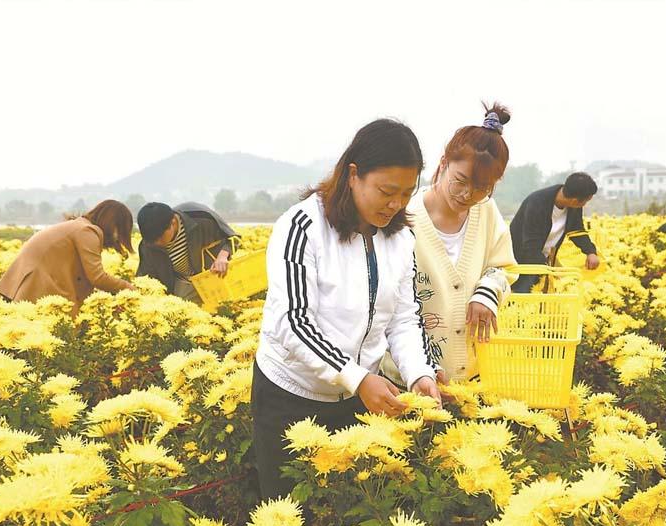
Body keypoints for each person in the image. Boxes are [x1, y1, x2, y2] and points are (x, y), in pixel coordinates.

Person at [251, 118, 441, 501]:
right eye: (387, 191)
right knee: (289, 511)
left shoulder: (400, 238)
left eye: (406, 193)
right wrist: (356, 378)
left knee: (350, 504)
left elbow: (403, 317)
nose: (396, 204)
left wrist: (419, 373)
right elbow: (295, 322)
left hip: (357, 395)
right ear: (353, 175)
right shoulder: (303, 227)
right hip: (292, 396)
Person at [384, 102, 516, 384]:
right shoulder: (403, 217)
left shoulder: (487, 212)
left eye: (482, 188)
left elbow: (504, 267)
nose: (468, 194)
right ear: (443, 164)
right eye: (460, 181)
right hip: (406, 377)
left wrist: (487, 293)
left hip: (473, 371)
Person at [0, 199, 135, 313]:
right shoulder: (87, 231)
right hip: (37, 282)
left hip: (27, 279)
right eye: (120, 231)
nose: (118, 238)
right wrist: (129, 289)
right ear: (112, 224)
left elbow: (83, 279)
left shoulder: (79, 226)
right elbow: (97, 277)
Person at [509, 173, 600, 293]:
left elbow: (576, 229)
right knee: (523, 297)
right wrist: (551, 271)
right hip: (521, 262)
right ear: (575, 201)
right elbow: (530, 245)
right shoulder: (536, 203)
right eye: (586, 201)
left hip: (544, 261)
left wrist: (590, 252)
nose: (585, 205)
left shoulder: (574, 206)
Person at [135, 202, 238, 303]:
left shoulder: (201, 218)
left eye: (159, 238)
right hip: (182, 282)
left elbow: (233, 238)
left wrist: (223, 256)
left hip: (213, 276)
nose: (156, 243)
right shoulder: (148, 244)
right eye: (152, 240)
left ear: (173, 222)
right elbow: (145, 278)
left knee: (226, 307)